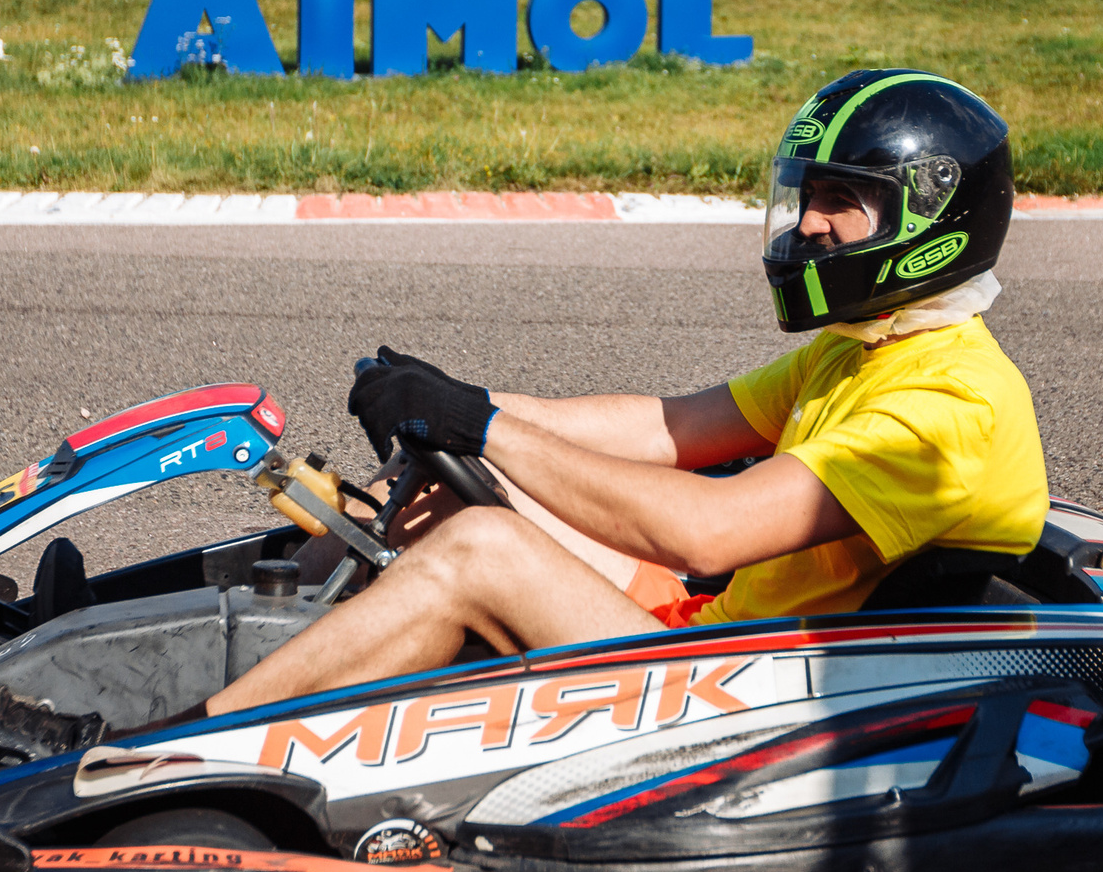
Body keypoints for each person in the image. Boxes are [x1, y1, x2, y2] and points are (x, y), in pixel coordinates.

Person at [202, 68, 1048, 720]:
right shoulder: (867, 349)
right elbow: (667, 427)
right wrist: (458, 400)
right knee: (447, 499)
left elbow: (707, 531)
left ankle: (177, 745)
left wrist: (486, 427)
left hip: (755, 697)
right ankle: (208, 645)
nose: (808, 225)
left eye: (841, 204)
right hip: (722, 631)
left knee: (483, 550)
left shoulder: (949, 409)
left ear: (928, 223)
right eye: (808, 196)